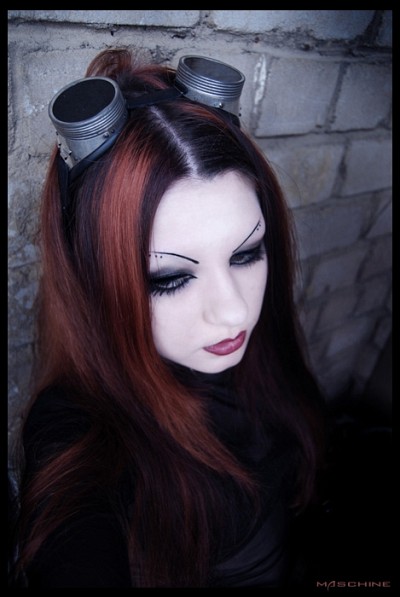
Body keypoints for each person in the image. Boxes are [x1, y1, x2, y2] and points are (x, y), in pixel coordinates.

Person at [10, 47, 325, 588]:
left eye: (247, 254)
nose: (234, 310)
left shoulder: (263, 352)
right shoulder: (82, 435)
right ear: (94, 282)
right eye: (170, 279)